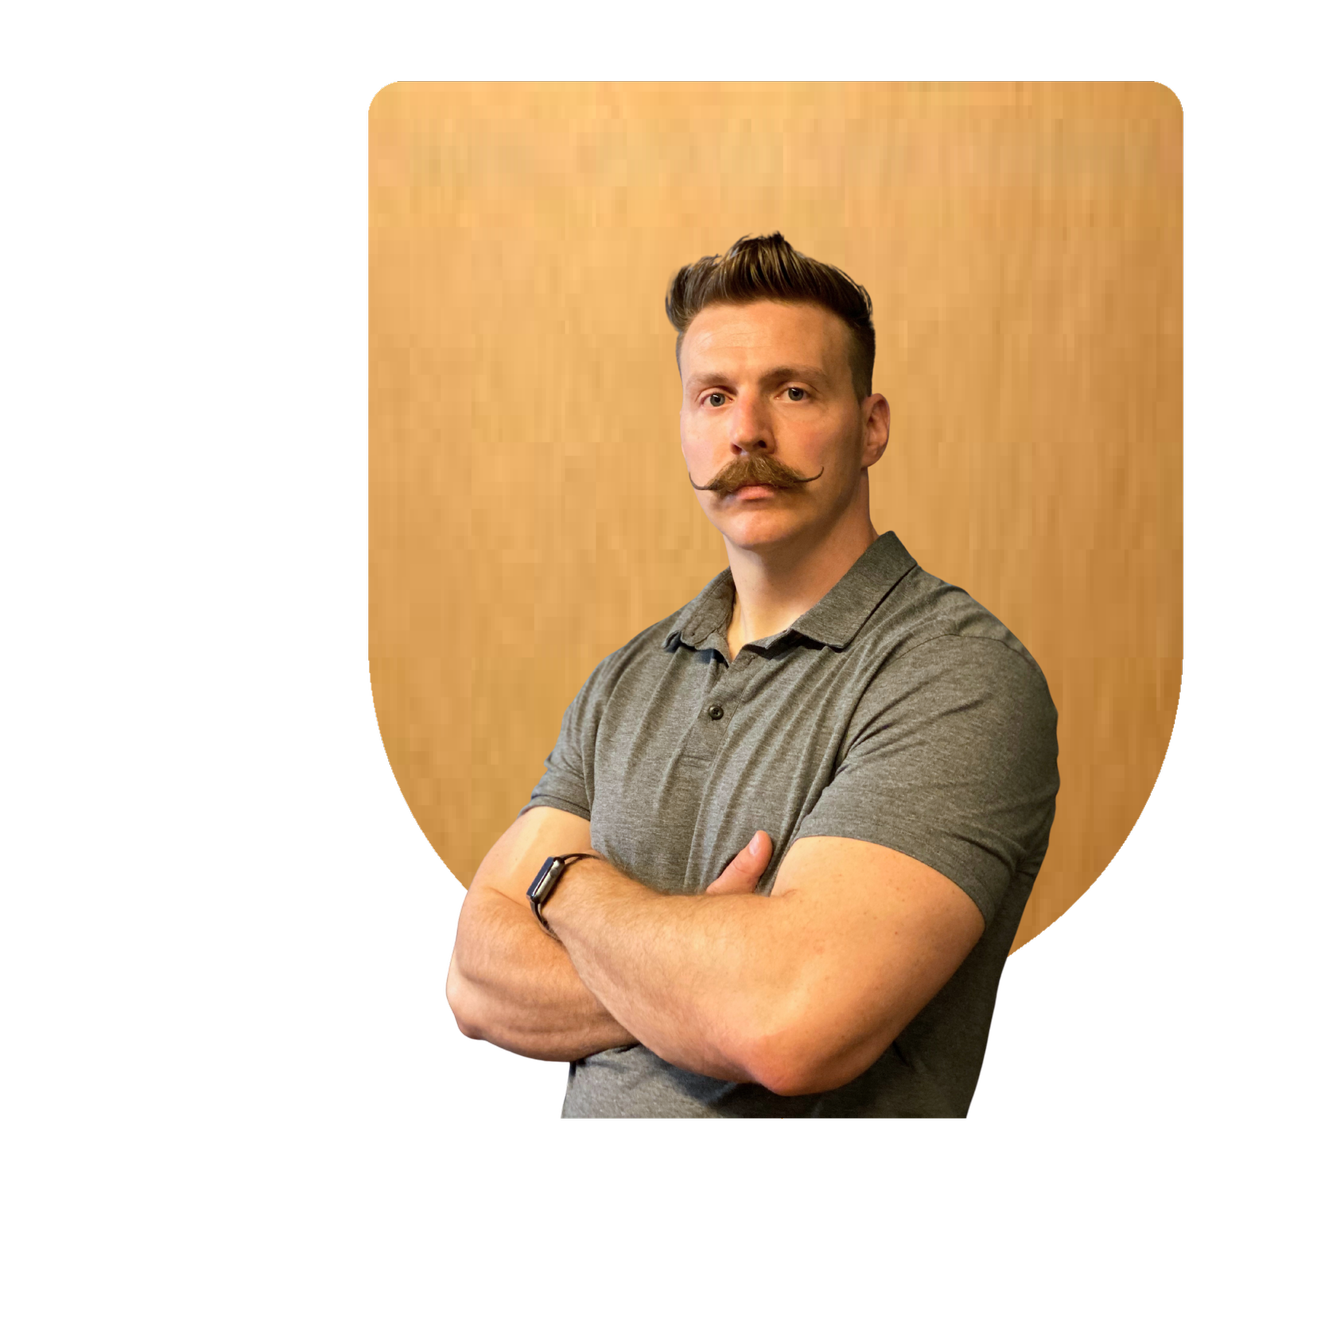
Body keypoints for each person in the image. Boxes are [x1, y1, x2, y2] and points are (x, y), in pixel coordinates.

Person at [446, 232, 1059, 1119]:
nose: (747, 432)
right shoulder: (626, 682)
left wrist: (567, 886)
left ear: (872, 426)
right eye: (715, 397)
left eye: (793, 391)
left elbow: (788, 1024)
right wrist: (701, 972)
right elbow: (474, 982)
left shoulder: (957, 675)